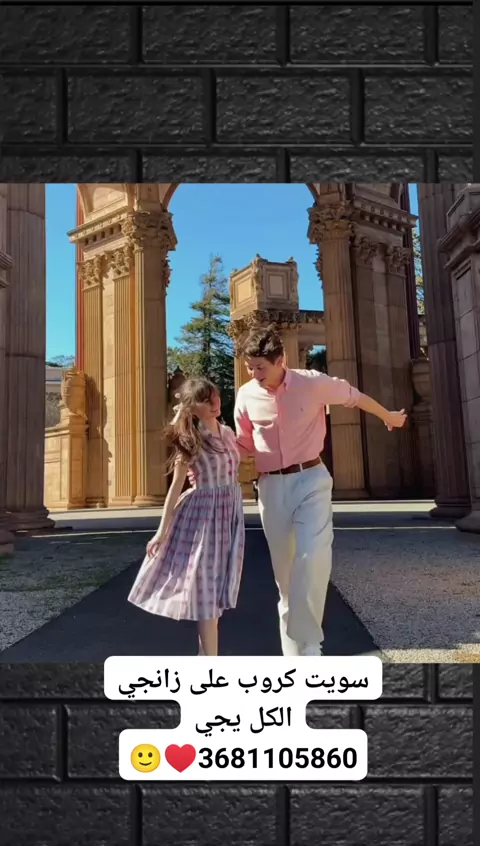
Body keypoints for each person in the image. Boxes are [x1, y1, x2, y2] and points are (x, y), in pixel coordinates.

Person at [234, 326, 407, 657]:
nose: (254, 375)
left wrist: (387, 416)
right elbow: (244, 442)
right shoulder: (246, 395)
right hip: (271, 487)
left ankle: (311, 644)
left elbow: (354, 396)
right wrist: (219, 455)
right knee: (285, 580)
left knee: (312, 554)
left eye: (260, 367)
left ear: (281, 360)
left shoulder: (312, 383)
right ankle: (294, 660)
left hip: (311, 479)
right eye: (250, 367)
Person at [128, 377, 245, 657]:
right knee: (206, 591)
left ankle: (205, 659)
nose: (215, 403)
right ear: (193, 408)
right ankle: (211, 664)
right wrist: (161, 531)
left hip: (229, 514)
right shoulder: (192, 441)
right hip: (203, 517)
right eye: (206, 400)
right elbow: (175, 488)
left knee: (217, 587)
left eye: (215, 396)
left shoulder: (228, 433)